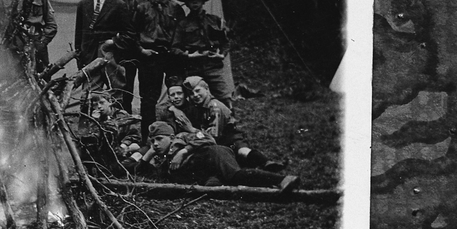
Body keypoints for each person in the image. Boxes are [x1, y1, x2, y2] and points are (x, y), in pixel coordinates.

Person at [125, 121, 298, 191]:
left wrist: (184, 151)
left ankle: (282, 179)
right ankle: (271, 183)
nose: (155, 143)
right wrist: (150, 152)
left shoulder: (182, 138)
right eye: (152, 141)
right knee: (217, 185)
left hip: (215, 154)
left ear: (170, 137)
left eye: (159, 139)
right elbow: (142, 171)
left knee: (236, 176)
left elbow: (208, 138)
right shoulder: (164, 162)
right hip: (208, 170)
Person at [182, 76, 284, 171]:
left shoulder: (215, 107)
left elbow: (213, 136)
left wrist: (194, 132)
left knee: (242, 152)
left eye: (198, 91)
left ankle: (266, 163)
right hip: (220, 138)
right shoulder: (199, 107)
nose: (195, 95)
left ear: (207, 89)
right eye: (191, 93)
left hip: (229, 138)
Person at [126, 0, 177, 141]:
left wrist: (176, 52)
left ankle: (176, 134)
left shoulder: (176, 8)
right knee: (148, 100)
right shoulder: (142, 8)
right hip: (149, 58)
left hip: (171, 57)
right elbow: (132, 33)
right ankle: (149, 138)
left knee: (177, 95)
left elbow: (180, 33)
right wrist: (141, 50)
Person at [172, 0, 233, 106]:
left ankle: (229, 124)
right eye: (191, 0)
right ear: (187, 4)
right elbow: (174, 48)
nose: (194, 2)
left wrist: (221, 55)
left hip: (213, 67)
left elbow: (226, 42)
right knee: (195, 101)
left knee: (224, 98)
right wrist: (189, 55)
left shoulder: (214, 20)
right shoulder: (182, 24)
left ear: (203, 1)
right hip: (193, 68)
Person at [73, 0, 130, 78]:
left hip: (110, 56)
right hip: (89, 56)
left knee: (115, 92)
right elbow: (79, 34)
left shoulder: (119, 4)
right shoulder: (83, 4)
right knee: (90, 93)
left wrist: (113, 43)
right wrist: (80, 57)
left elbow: (126, 34)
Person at [109, 0, 150, 113]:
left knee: (147, 89)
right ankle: (122, 123)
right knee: (124, 88)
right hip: (123, 49)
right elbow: (110, 22)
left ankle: (146, 125)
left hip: (145, 47)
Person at [78, 89, 141, 173]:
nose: (99, 106)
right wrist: (95, 121)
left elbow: (134, 135)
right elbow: (87, 137)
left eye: (102, 102)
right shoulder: (92, 117)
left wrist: (124, 145)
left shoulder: (121, 115)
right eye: (95, 104)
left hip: (120, 149)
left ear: (110, 102)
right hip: (101, 151)